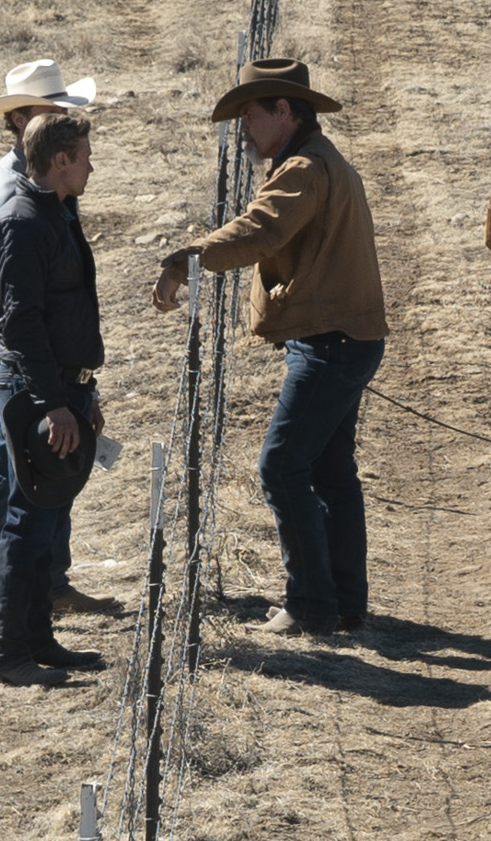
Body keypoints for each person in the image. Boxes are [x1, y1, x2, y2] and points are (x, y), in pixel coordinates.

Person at [152, 56, 389, 641]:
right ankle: (344, 604)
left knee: (281, 467)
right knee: (330, 470)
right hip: (343, 340)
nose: (243, 128)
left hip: (329, 345)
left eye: (250, 114)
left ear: (284, 110)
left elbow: (259, 231)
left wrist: (185, 260)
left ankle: (310, 606)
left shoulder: (304, 168)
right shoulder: (317, 160)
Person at [0, 62, 126, 632]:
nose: (62, 121)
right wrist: (54, 392)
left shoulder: (46, 186)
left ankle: (47, 584)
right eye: (52, 112)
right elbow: (22, 307)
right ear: (22, 120)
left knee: (45, 460)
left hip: (43, 339)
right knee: (13, 461)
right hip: (24, 338)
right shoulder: (14, 195)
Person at [0, 110, 111, 688]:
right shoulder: (22, 223)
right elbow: (21, 324)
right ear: (60, 160)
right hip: (37, 393)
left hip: (61, 389)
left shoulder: (55, 212)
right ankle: (6, 652)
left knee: (46, 516)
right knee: (26, 519)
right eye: (85, 157)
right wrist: (55, 403)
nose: (90, 167)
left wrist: (83, 391)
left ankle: (36, 639)